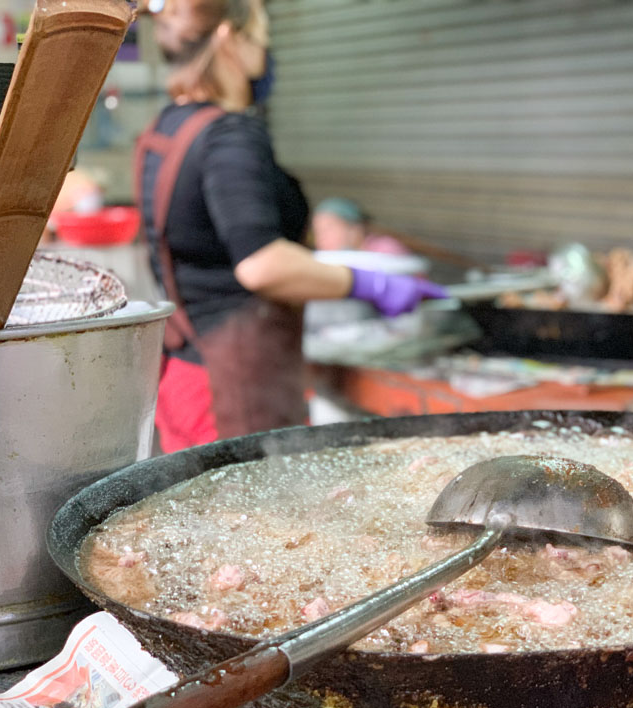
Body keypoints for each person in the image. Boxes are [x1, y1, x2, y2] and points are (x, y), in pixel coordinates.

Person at [136, 0, 446, 452]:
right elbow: (260, 265)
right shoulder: (229, 136)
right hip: (234, 391)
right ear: (228, 39)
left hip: (183, 377)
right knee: (257, 519)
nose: (265, 55)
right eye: (260, 40)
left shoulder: (163, 131)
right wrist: (368, 283)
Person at [311, 197, 411, 255]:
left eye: (328, 230)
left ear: (355, 229)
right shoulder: (327, 260)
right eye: (317, 232)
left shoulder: (386, 250)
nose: (321, 239)